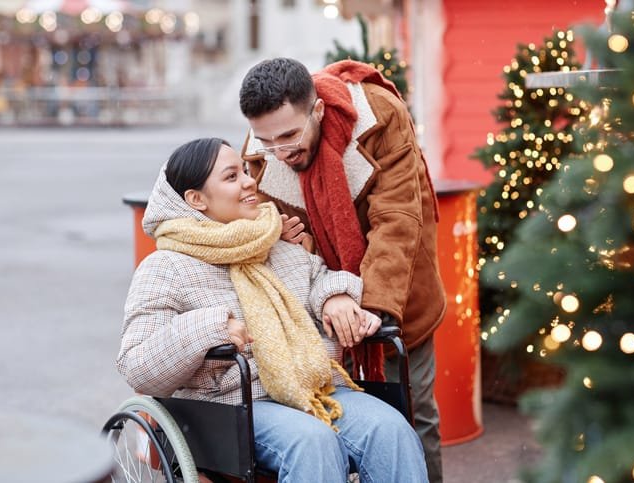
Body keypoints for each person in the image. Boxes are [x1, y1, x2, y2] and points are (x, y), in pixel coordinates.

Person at [116, 137, 428, 483]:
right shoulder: (165, 268)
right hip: (229, 407)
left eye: (246, 171)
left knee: (391, 430)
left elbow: (315, 277)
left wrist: (334, 296)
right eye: (232, 176)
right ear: (196, 199)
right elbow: (137, 366)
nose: (250, 181)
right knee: (312, 442)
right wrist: (207, 328)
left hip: (312, 390)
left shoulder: (275, 243)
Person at [239, 58, 447, 482]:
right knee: (336, 419)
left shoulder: (380, 116)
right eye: (267, 141)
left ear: (316, 110)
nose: (280, 151)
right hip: (321, 310)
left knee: (413, 412)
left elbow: (397, 220)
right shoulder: (263, 149)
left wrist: (370, 306)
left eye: (290, 136)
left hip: (397, 292)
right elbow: (282, 242)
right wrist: (301, 250)